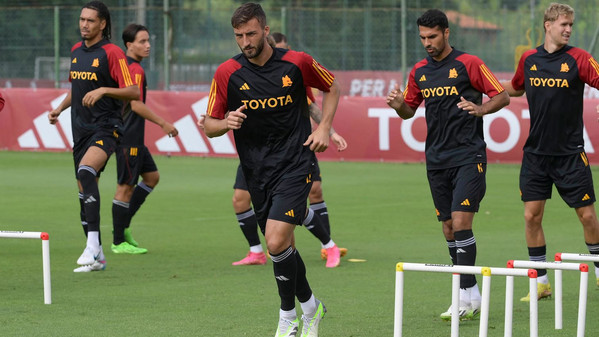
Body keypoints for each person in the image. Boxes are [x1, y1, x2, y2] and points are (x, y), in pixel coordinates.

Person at [202, 3, 339, 336]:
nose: (245, 42)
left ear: (265, 30)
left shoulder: (297, 62)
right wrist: (225, 123)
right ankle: (311, 308)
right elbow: (208, 124)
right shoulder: (226, 73)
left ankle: (287, 316)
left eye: (250, 33)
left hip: (295, 163)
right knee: (284, 246)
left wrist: (324, 128)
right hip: (255, 170)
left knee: (276, 242)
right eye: (238, 36)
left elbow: (331, 87)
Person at [386, 9, 509, 321]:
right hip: (436, 159)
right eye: (423, 38)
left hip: (469, 155)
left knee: (460, 221)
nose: (427, 43)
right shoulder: (419, 71)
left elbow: (503, 96)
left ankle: (467, 295)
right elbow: (409, 111)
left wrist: (480, 109)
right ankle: (469, 293)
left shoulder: (469, 64)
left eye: (433, 37)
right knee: (447, 227)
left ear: (446, 33)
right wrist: (399, 104)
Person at [502, 3, 599, 301]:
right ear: (548, 25)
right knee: (531, 217)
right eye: (563, 24)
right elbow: (516, 88)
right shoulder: (529, 58)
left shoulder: (580, 58)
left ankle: (598, 272)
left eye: (571, 24)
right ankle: (541, 282)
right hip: (536, 155)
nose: (568, 29)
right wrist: (480, 86)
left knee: (587, 217)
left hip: (570, 154)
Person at [228, 32, 348, 268]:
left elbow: (312, 103)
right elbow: (227, 111)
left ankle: (328, 245)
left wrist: (329, 132)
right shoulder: (239, 74)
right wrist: (218, 121)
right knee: (240, 199)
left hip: (292, 151)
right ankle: (257, 251)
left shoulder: (292, 70)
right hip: (256, 157)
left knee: (308, 196)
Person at [48, 1, 139, 273]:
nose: (84, 24)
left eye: (90, 20)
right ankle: (97, 257)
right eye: (82, 19)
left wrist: (103, 91)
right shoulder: (76, 50)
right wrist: (59, 108)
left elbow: (133, 91)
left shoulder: (113, 53)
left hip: (107, 127)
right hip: (80, 129)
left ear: (102, 24)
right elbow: (76, 88)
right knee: (84, 192)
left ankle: (92, 245)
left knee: (86, 172)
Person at [110, 23, 178, 255]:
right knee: (124, 188)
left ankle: (123, 226)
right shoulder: (135, 71)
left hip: (132, 137)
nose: (148, 45)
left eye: (148, 40)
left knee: (151, 177)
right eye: (142, 41)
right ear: (129, 45)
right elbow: (136, 104)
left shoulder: (129, 67)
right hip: (128, 137)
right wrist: (163, 123)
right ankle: (119, 241)